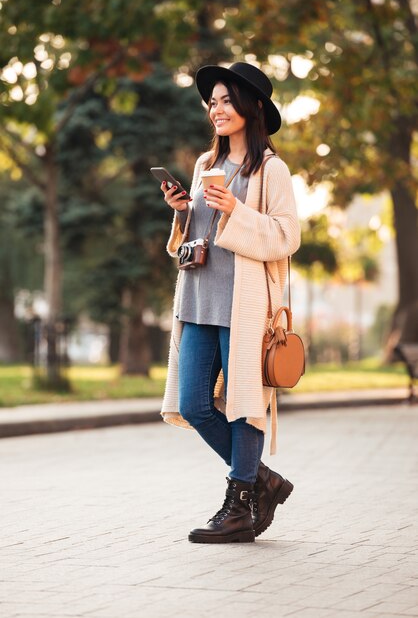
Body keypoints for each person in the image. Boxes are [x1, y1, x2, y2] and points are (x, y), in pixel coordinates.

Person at [160, 62, 301, 544]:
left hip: (243, 306)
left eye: (225, 100)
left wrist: (237, 211)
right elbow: (196, 238)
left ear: (252, 107)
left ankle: (240, 502)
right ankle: (263, 481)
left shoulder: (270, 169)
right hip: (199, 300)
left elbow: (287, 236)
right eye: (212, 101)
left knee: (244, 404)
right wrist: (183, 213)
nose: (216, 109)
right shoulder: (204, 166)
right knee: (194, 404)